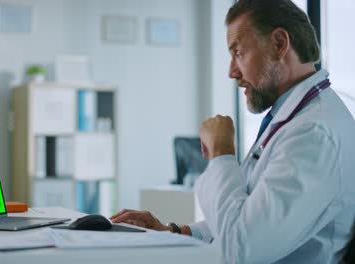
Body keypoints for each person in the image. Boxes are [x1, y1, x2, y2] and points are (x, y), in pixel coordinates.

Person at [111, 0, 355, 263]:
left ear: (279, 43)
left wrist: (222, 153)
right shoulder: (294, 119)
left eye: (238, 53)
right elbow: (247, 216)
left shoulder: (314, 135)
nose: (231, 71)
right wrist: (174, 232)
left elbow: (243, 248)